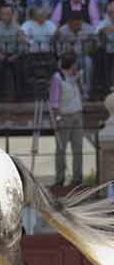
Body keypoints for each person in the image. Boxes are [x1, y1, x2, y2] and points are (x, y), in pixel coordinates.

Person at [50, 52, 84, 188]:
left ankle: (77, 178)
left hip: (77, 115)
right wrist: (57, 119)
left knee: (78, 147)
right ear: (72, 64)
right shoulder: (57, 78)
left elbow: (83, 94)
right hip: (64, 116)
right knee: (61, 149)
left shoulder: (75, 77)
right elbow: (54, 102)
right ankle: (60, 179)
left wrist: (79, 82)